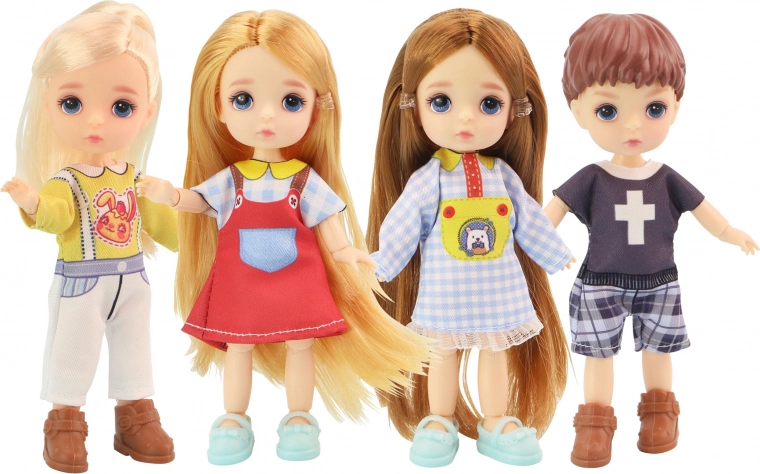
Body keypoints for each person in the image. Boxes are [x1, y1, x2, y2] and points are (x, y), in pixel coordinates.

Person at [136, 9, 429, 465]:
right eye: (243, 99)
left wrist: (345, 251)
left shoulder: (304, 179)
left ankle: (299, 417)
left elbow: (328, 221)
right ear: (218, 106)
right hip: (241, 282)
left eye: (291, 101)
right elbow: (198, 201)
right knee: (238, 345)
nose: (268, 115)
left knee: (300, 344)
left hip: (297, 280)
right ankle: (234, 418)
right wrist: (170, 195)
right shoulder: (232, 178)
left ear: (316, 107)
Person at [544, 13, 758, 468]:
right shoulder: (592, 177)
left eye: (653, 108)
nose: (632, 126)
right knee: (599, 355)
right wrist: (540, 244)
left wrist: (731, 233)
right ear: (578, 111)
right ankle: (595, 423)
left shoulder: (666, 178)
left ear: (675, 107)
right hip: (600, 282)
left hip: (659, 281)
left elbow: (705, 211)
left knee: (659, 350)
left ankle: (661, 414)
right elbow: (552, 214)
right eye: (608, 111)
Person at [367, 8, 573, 467]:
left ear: (515, 110)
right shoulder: (430, 179)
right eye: (441, 101)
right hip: (443, 291)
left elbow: (529, 219)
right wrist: (381, 264)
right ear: (413, 106)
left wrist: (555, 254)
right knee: (442, 352)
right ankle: (439, 420)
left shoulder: (503, 176)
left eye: (488, 104)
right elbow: (403, 223)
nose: (465, 119)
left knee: (495, 351)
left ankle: (494, 420)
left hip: (499, 289)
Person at [1, 2, 177, 472]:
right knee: (72, 353)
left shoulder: (135, 177)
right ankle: (64, 421)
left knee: (135, 351)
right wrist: (33, 203)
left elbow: (163, 224)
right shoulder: (67, 180)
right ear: (49, 104)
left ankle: (135, 415)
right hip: (83, 280)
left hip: (133, 279)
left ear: (146, 112)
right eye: (73, 103)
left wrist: (206, 232)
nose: (96, 120)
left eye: (121, 107)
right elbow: (58, 216)